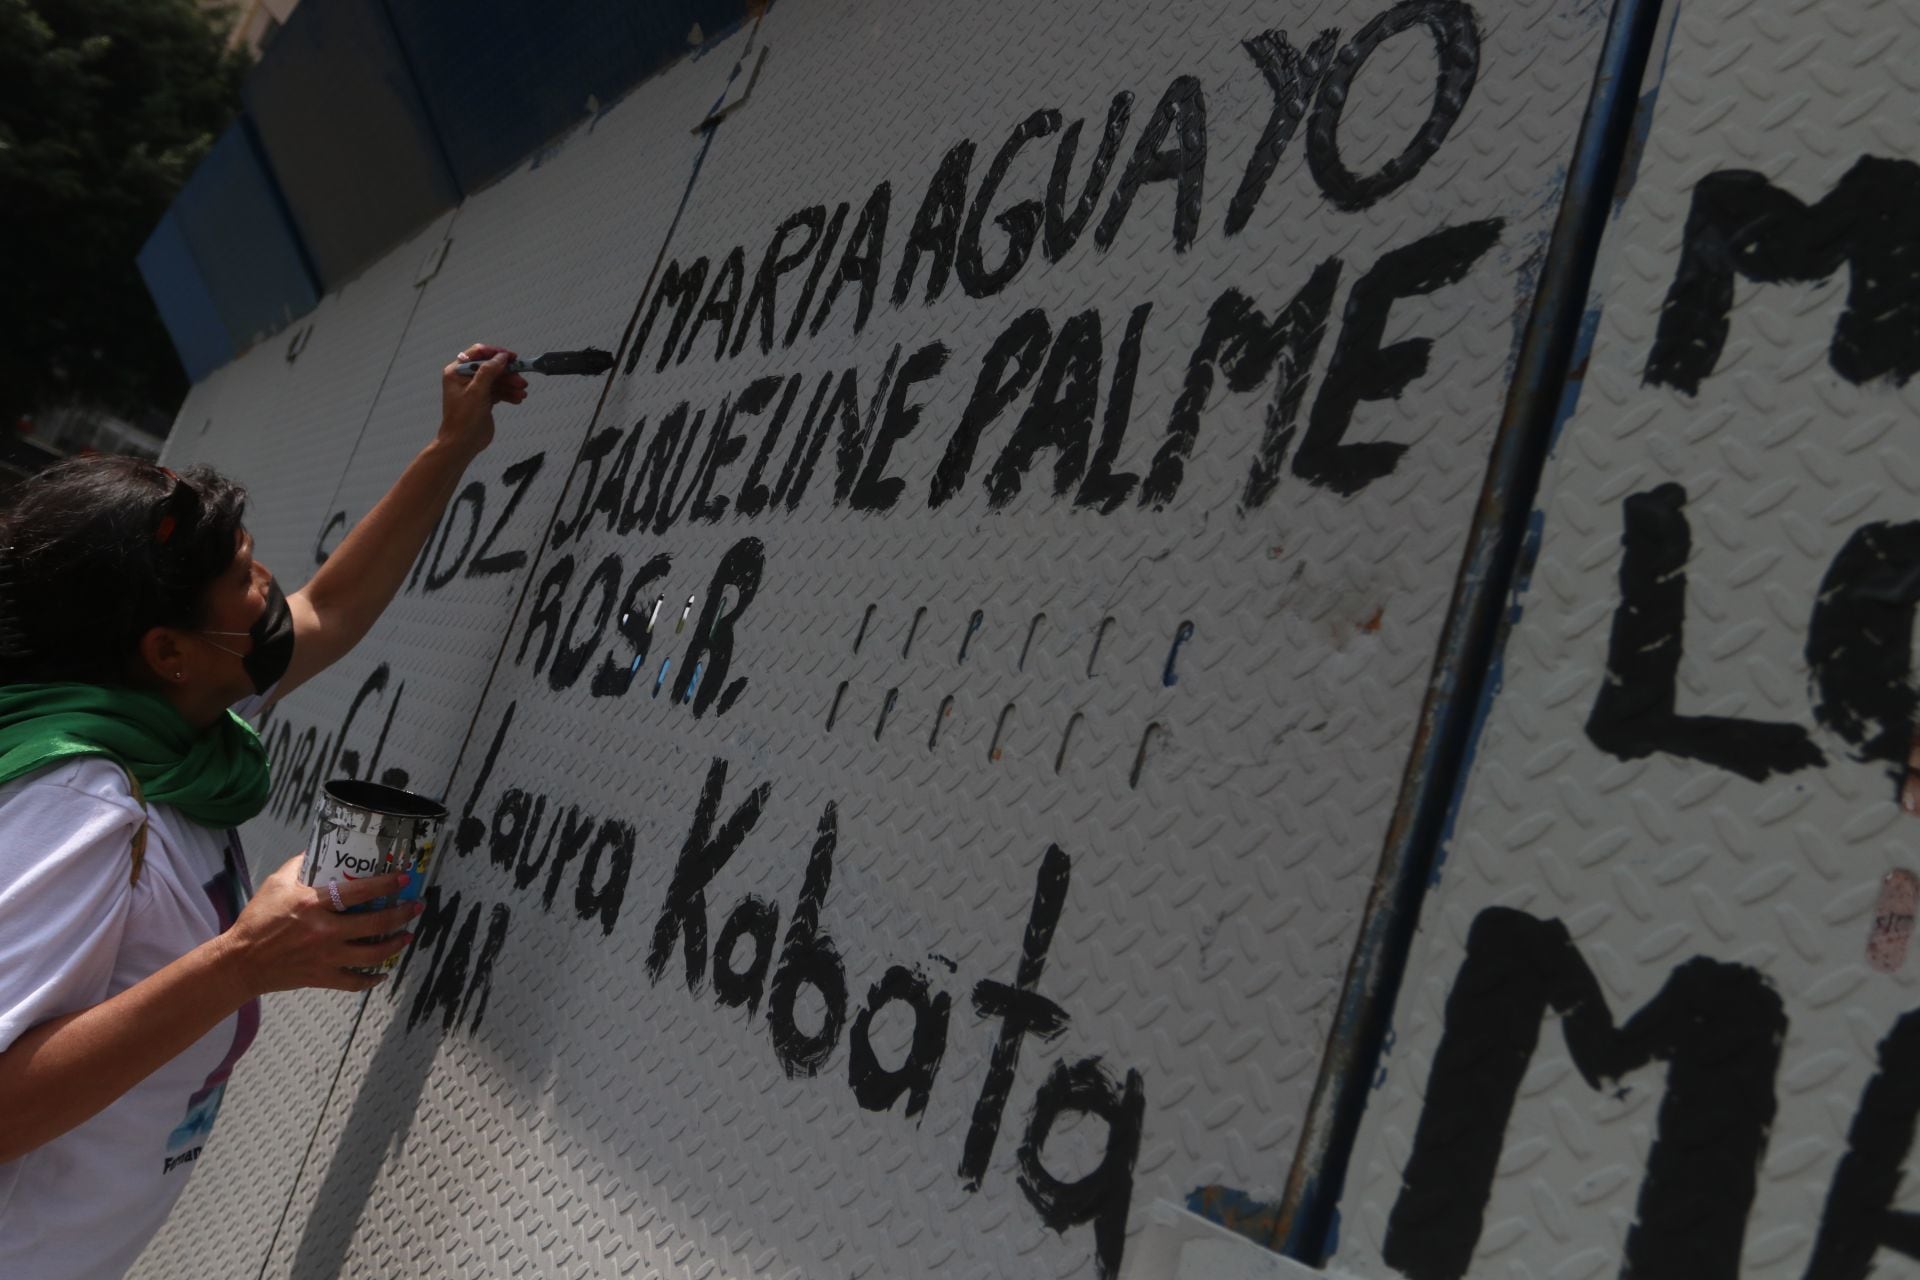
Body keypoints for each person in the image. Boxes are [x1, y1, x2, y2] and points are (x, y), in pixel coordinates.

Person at [0, 346, 530, 1279]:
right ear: (168, 652)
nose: (270, 589)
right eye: (245, 579)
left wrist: (454, 444)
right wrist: (246, 960)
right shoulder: (80, 805)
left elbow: (332, 608)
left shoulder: (171, 730)